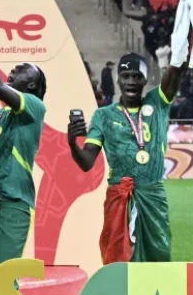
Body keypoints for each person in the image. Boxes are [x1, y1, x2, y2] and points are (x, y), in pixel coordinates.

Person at [67, 52, 185, 264]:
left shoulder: (157, 102)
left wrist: (180, 50)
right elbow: (86, 162)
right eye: (126, 76)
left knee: (158, 253)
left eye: (137, 76)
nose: (131, 81)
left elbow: (174, 75)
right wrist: (72, 144)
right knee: (116, 255)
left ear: (145, 79)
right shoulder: (103, 115)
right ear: (117, 79)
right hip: (119, 194)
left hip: (152, 194)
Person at [0, 48, 47, 295]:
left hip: (13, 203)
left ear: (32, 84)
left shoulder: (34, 107)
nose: (13, 71)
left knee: (1, 282)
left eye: (21, 70)